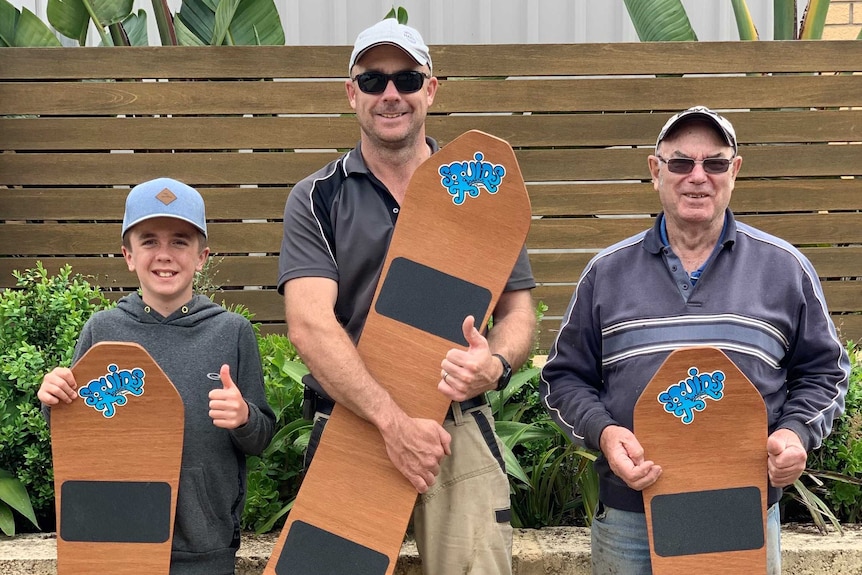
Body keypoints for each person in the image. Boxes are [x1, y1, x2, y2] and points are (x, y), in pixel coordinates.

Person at [540, 106, 850, 575]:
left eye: (715, 163)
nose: (697, 177)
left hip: (738, 506)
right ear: (655, 170)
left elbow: (825, 372)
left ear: (735, 170)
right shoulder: (607, 272)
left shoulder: (783, 269)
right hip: (630, 511)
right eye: (681, 163)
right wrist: (604, 433)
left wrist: (794, 433)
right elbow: (564, 378)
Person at [276, 18, 536, 575]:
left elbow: (518, 312)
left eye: (406, 79)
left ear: (431, 89)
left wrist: (494, 361)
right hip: (352, 423)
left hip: (457, 428)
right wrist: (391, 424)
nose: (390, 94)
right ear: (352, 94)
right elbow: (309, 326)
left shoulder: (483, 192)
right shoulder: (317, 198)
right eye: (372, 81)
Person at [38, 177, 276, 575]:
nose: (164, 255)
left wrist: (245, 418)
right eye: (149, 241)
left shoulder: (232, 331)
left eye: (180, 241)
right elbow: (75, 430)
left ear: (202, 256)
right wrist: (54, 398)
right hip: (115, 536)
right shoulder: (102, 330)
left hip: (205, 544)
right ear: (128, 255)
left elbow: (262, 436)